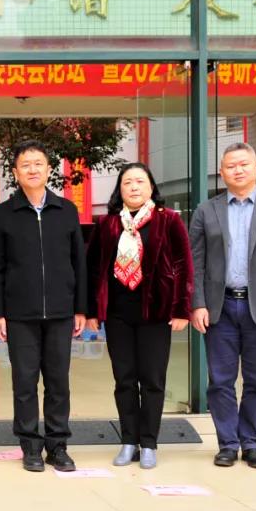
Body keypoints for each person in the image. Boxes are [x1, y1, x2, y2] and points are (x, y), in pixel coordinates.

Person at [190, 142, 256, 469]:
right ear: (221, 172)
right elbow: (195, 262)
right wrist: (197, 303)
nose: (237, 170)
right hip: (220, 308)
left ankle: (252, 444)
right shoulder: (206, 210)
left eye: (243, 164)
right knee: (220, 381)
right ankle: (227, 443)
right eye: (230, 166)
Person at [0, 140, 86, 473]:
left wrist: (80, 308)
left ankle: (58, 446)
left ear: (48, 169)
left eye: (38, 163)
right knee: (25, 382)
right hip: (19, 314)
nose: (32, 169)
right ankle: (30, 446)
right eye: (25, 164)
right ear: (15, 172)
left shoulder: (66, 210)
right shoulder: (3, 214)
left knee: (59, 382)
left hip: (61, 312)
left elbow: (79, 262)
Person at [86, 163, 192, 469]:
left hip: (156, 314)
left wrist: (181, 309)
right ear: (119, 189)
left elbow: (183, 264)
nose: (133, 187)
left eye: (140, 181)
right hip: (118, 315)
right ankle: (128, 441)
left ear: (151, 187)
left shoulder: (168, 220)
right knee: (124, 380)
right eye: (127, 182)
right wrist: (92, 311)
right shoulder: (107, 224)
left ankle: (149, 443)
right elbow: (94, 269)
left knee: (153, 380)